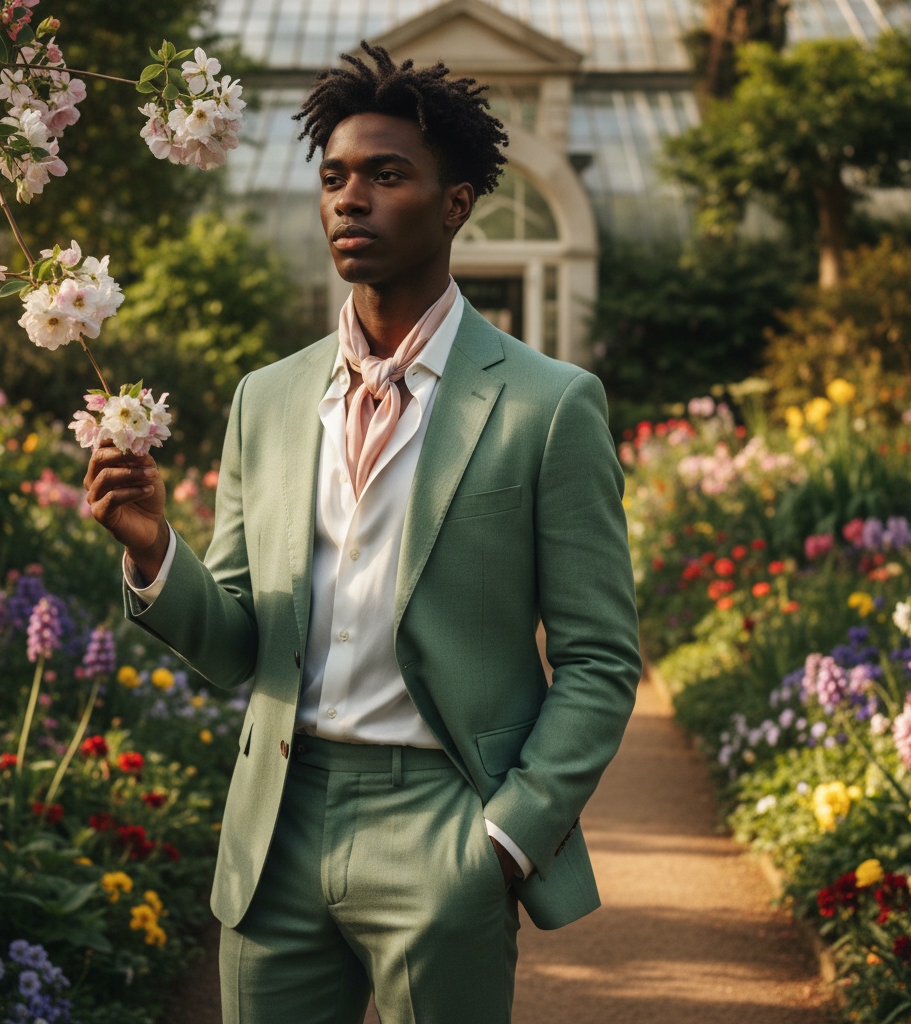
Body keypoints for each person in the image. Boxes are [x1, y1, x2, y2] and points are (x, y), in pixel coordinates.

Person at [85, 41, 641, 1024]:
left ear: (456, 202)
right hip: (277, 827)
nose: (351, 199)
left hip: (443, 819)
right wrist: (150, 551)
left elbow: (599, 656)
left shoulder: (550, 407)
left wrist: (505, 838)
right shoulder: (269, 397)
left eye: (387, 175)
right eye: (335, 176)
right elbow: (235, 646)